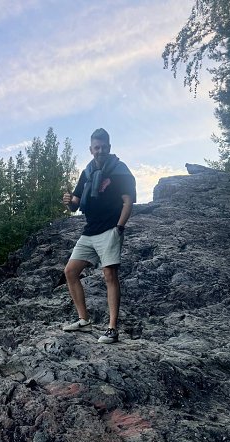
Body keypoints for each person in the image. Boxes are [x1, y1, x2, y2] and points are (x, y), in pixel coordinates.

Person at [62, 128, 136, 343]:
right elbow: (75, 204)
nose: (100, 151)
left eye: (104, 147)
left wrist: (119, 227)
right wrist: (68, 201)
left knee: (109, 275)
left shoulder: (120, 170)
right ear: (91, 149)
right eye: (97, 147)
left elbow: (128, 201)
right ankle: (83, 320)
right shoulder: (87, 172)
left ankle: (112, 329)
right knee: (70, 272)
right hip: (90, 230)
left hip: (110, 229)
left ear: (109, 147)